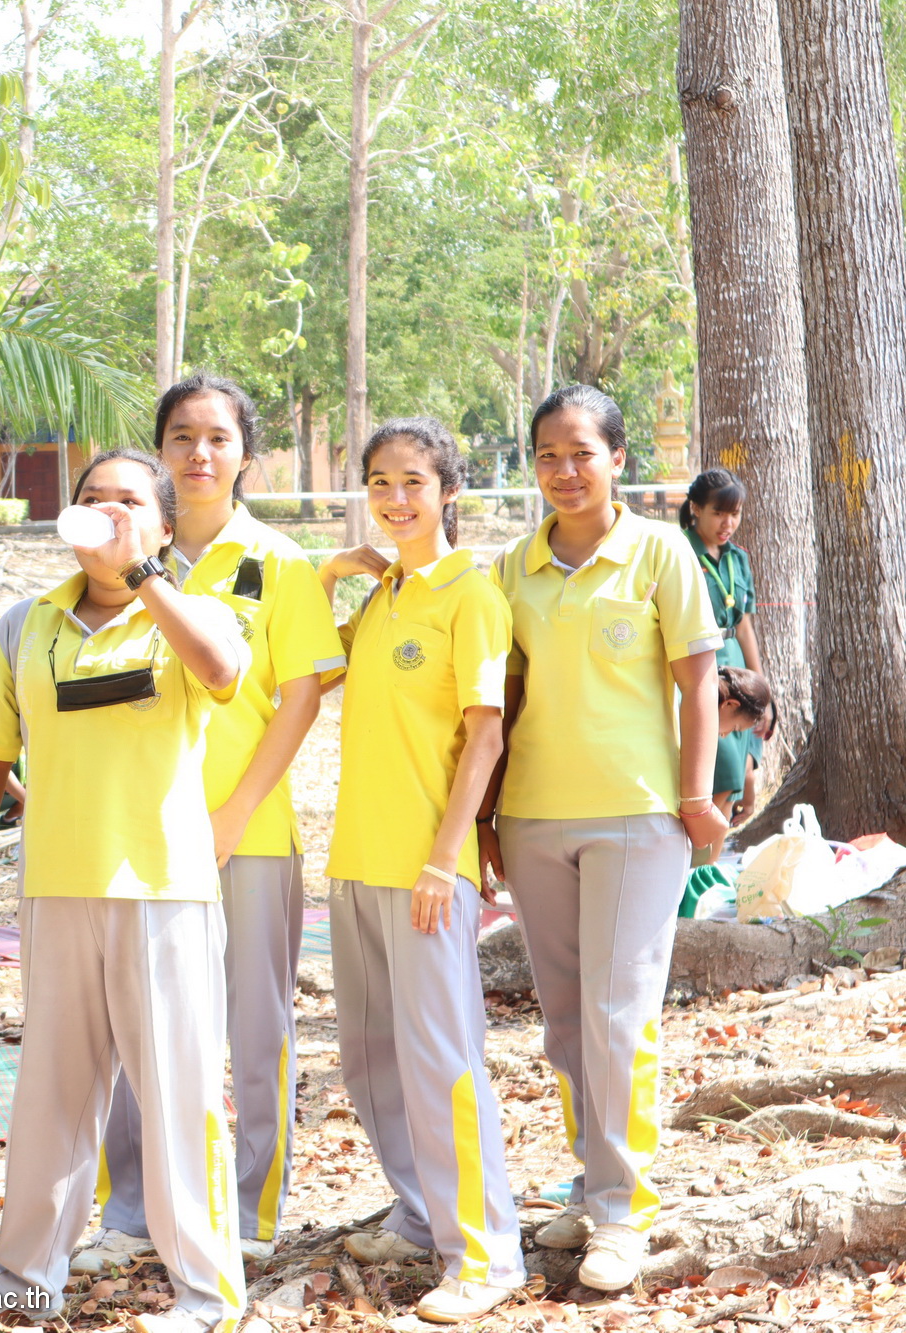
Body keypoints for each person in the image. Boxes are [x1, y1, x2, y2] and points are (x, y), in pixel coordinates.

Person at [0, 449, 250, 1333]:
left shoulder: (193, 611)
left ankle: (210, 1297)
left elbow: (222, 673)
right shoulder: (24, 625)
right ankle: (24, 1277)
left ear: (162, 522)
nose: (106, 512)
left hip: (163, 889)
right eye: (90, 499)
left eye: (128, 501)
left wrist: (143, 573)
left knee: (180, 1095)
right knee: (53, 1093)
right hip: (57, 886)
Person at [86, 374, 344, 1274]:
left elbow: (301, 698)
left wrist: (232, 816)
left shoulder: (279, 561)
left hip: (249, 834)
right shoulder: (114, 556)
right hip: (136, 839)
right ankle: (129, 1213)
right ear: (158, 450)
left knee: (255, 1028)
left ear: (246, 453)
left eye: (219, 438)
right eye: (181, 437)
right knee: (133, 1029)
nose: (199, 454)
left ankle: (249, 1210)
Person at [479, 385, 727, 1293]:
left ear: (618, 457)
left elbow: (699, 685)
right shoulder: (512, 567)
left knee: (620, 1014)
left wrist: (695, 796)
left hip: (636, 818)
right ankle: (592, 1182)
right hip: (533, 817)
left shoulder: (660, 551)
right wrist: (486, 815)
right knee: (565, 1019)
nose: (565, 470)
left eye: (582, 452)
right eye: (548, 455)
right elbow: (501, 702)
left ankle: (624, 1211)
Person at [315, 420, 525, 1323]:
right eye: (379, 481)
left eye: (413, 481)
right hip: (354, 860)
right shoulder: (381, 595)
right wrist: (331, 573)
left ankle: (484, 1252)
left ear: (449, 490)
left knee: (443, 1061)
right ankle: (418, 1211)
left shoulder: (470, 595)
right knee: (369, 1059)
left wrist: (446, 859)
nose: (395, 498)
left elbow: (486, 737)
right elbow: (309, 670)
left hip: (427, 871)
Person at [680, 469, 765, 825]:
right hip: (699, 666)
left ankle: (712, 854)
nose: (728, 523)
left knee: (732, 785)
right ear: (696, 508)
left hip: (736, 665)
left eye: (735, 514)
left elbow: (744, 626)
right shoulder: (679, 551)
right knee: (716, 777)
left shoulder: (737, 557)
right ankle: (697, 855)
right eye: (718, 513)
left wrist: (762, 688)